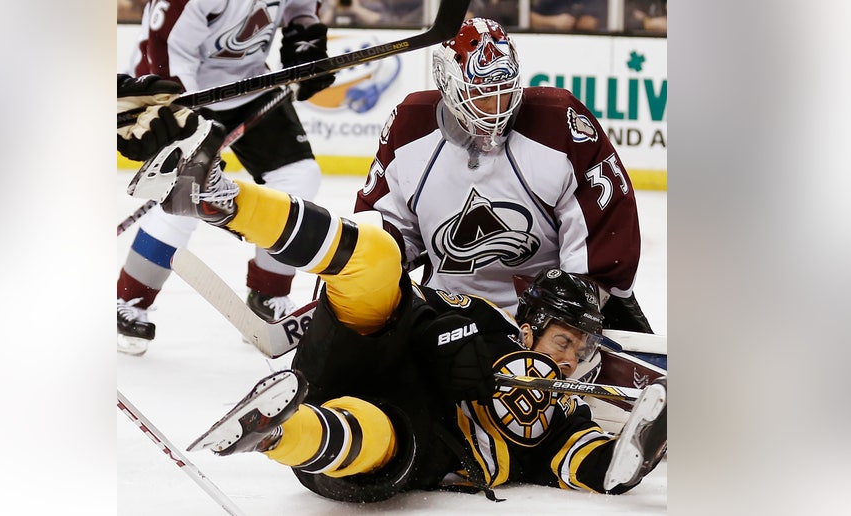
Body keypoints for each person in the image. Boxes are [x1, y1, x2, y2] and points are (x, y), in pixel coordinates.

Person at [119, 108, 667, 501]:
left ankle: (278, 433)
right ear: (528, 331)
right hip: (364, 349)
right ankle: (218, 199)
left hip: (416, 434)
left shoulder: (563, 412)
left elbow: (602, 465)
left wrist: (647, 437)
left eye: (583, 347)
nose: (572, 358)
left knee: (382, 434)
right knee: (378, 255)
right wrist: (442, 335)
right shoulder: (484, 319)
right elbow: (418, 303)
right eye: (564, 340)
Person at [353, 18, 652, 338]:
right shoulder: (410, 126)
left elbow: (604, 235)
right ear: (449, 87)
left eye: (504, 93)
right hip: (445, 313)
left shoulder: (559, 122)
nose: (496, 109)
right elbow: (385, 232)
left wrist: (563, 321)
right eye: (482, 95)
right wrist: (363, 275)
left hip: (546, 317)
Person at [116, 0, 336, 356]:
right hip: (183, 94)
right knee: (185, 196)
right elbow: (164, 50)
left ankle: (269, 294)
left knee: (300, 175)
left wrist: (304, 35)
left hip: (253, 85)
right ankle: (129, 300)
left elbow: (301, 8)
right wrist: (186, 119)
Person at [529, 0, 606, 32]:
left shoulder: (591, 2)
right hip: (552, 42)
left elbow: (594, 23)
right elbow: (530, 19)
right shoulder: (550, 1)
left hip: (584, 45)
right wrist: (554, 22)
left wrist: (579, 23)